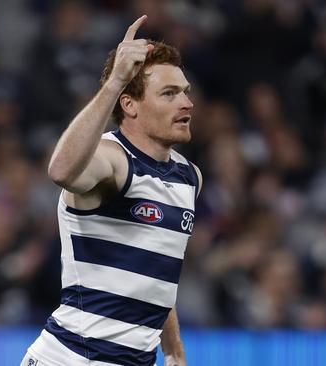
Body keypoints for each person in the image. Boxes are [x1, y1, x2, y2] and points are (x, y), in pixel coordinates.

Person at [21, 15, 202, 366]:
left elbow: (157, 274)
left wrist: (174, 349)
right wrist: (116, 79)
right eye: (169, 93)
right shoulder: (112, 159)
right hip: (72, 358)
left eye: (185, 92)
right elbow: (60, 170)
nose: (186, 103)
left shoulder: (188, 176)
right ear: (129, 104)